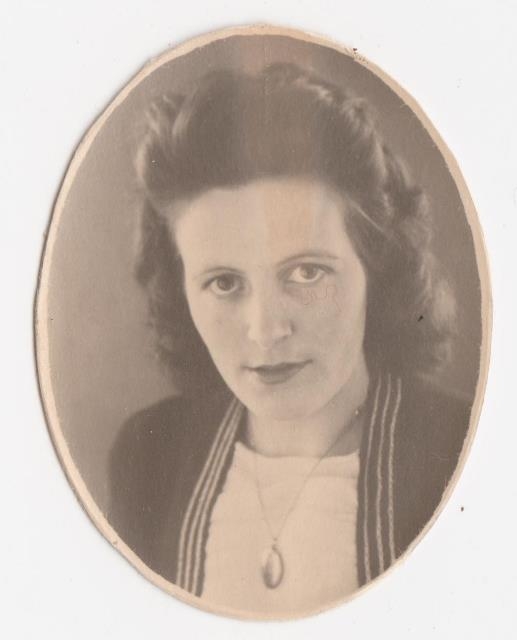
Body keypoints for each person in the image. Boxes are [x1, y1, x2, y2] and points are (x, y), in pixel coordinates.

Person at [108, 62, 470, 616]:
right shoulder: (148, 458)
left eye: (306, 273)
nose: (266, 330)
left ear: (376, 264)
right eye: (223, 283)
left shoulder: (463, 451)